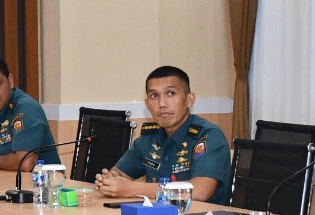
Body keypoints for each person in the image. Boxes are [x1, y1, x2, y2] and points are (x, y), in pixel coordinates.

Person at [97, 65, 232, 203]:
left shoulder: (208, 136)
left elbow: (200, 191)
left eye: (171, 93)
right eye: (154, 96)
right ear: (147, 104)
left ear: (190, 100)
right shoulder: (149, 138)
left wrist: (132, 188)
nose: (162, 104)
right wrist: (108, 182)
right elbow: (118, 174)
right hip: (158, 214)